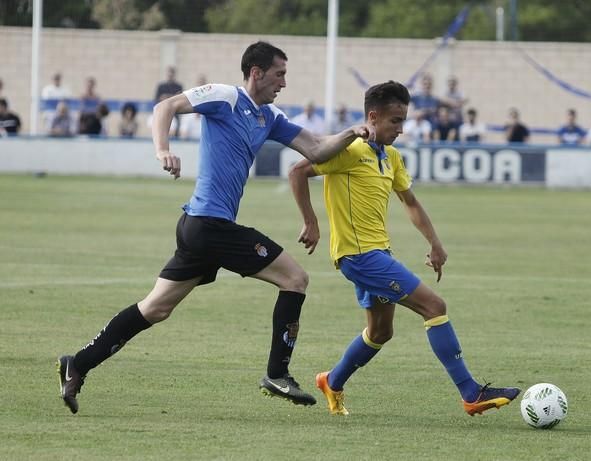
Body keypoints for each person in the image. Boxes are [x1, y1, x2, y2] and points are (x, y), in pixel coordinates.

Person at [56, 41, 372, 415]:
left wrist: (352, 132)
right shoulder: (225, 97)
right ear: (256, 72)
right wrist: (162, 150)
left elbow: (317, 148)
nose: (284, 83)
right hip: (209, 225)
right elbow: (165, 107)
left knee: (155, 308)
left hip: (200, 228)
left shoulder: (269, 116)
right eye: (279, 74)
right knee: (295, 279)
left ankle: (77, 364)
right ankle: (277, 374)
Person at [288, 80, 520, 417]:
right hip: (358, 256)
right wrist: (310, 221)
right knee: (434, 305)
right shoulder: (349, 150)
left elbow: (410, 202)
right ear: (373, 116)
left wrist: (435, 243)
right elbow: (297, 171)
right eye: (395, 121)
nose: (401, 128)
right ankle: (471, 392)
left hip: (378, 254)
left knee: (381, 331)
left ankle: (332, 381)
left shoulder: (391, 157)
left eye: (404, 120)